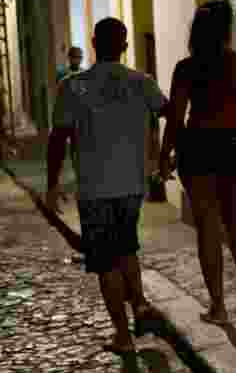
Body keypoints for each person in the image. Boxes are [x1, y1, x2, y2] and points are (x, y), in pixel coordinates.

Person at [46, 19, 165, 355]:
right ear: (125, 46)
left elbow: (57, 139)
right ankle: (140, 303)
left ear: (94, 43)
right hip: (131, 185)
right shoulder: (141, 82)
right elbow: (170, 110)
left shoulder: (72, 86)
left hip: (95, 188)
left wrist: (53, 184)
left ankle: (123, 336)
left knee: (106, 261)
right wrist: (165, 155)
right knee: (126, 246)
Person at [158, 0, 236, 325]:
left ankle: (219, 306)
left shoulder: (187, 68)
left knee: (207, 227)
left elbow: (176, 118)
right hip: (235, 147)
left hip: (199, 150)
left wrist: (165, 155)